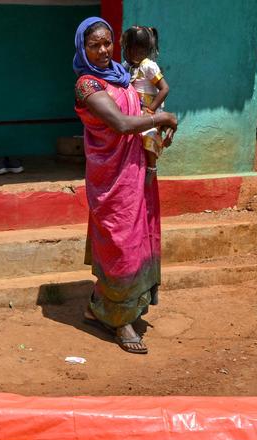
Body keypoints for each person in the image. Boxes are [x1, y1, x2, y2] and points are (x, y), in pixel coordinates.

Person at [73, 16, 178, 354]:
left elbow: (142, 104)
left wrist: (155, 132)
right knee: (120, 241)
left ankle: (98, 306)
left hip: (136, 170)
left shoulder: (122, 73)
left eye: (107, 43)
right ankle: (120, 320)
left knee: (138, 237)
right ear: (83, 48)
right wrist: (159, 118)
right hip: (111, 179)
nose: (103, 50)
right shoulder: (87, 85)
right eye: (95, 45)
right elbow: (118, 122)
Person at [121, 25, 172, 177]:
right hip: (135, 110)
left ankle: (152, 168)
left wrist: (150, 111)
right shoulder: (127, 66)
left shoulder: (148, 66)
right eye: (132, 49)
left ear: (147, 49)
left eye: (141, 49)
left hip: (149, 110)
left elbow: (164, 89)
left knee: (148, 137)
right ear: (126, 48)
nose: (136, 53)